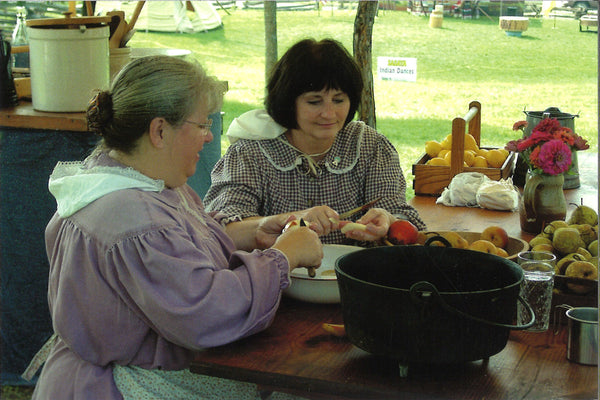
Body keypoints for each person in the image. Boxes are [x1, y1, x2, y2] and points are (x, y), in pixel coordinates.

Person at [27, 55, 323, 400]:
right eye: (201, 124)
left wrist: (255, 230)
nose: (210, 136)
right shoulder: (133, 216)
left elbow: (184, 248)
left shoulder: (133, 178)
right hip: (125, 384)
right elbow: (206, 312)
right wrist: (283, 257)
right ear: (159, 130)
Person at [204, 38, 426, 244]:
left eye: (339, 100)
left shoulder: (370, 146)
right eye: (314, 102)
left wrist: (389, 221)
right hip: (277, 283)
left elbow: (403, 219)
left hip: (357, 280)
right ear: (288, 102)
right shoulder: (250, 154)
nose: (329, 114)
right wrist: (292, 219)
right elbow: (221, 231)